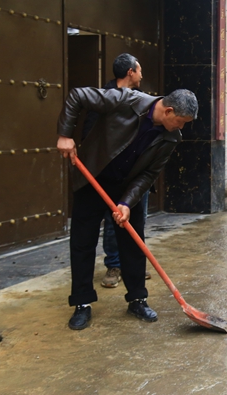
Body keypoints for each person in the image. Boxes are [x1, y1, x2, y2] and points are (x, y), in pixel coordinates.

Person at [57, 87, 198, 330]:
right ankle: (82, 303)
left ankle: (137, 299)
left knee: (133, 243)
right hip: (93, 177)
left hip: (125, 188)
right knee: (83, 242)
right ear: (168, 110)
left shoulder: (171, 137)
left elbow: (149, 174)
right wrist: (65, 134)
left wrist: (126, 202)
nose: (181, 127)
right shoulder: (126, 100)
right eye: (180, 121)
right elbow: (78, 96)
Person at [81, 53, 150, 289]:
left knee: (137, 221)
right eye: (139, 70)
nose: (142, 74)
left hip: (135, 171)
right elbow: (90, 136)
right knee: (114, 221)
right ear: (130, 72)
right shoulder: (104, 99)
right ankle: (114, 264)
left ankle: (135, 267)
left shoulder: (142, 100)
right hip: (110, 173)